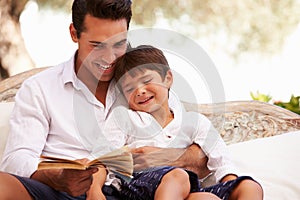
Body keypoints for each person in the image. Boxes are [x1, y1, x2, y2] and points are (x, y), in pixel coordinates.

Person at [0, 0, 210, 200]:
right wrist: (56, 177)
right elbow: (16, 159)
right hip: (59, 191)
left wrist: (167, 157)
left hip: (130, 190)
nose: (110, 57)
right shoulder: (40, 88)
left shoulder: (144, 88)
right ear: (74, 33)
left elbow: (200, 153)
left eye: (119, 44)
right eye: (97, 45)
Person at [110, 45, 264, 200]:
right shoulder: (126, 118)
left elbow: (221, 160)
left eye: (146, 80)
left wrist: (231, 186)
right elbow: (108, 156)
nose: (140, 91)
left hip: (189, 189)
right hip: (142, 186)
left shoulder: (194, 122)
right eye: (129, 88)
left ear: (168, 79)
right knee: (177, 176)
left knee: (248, 187)